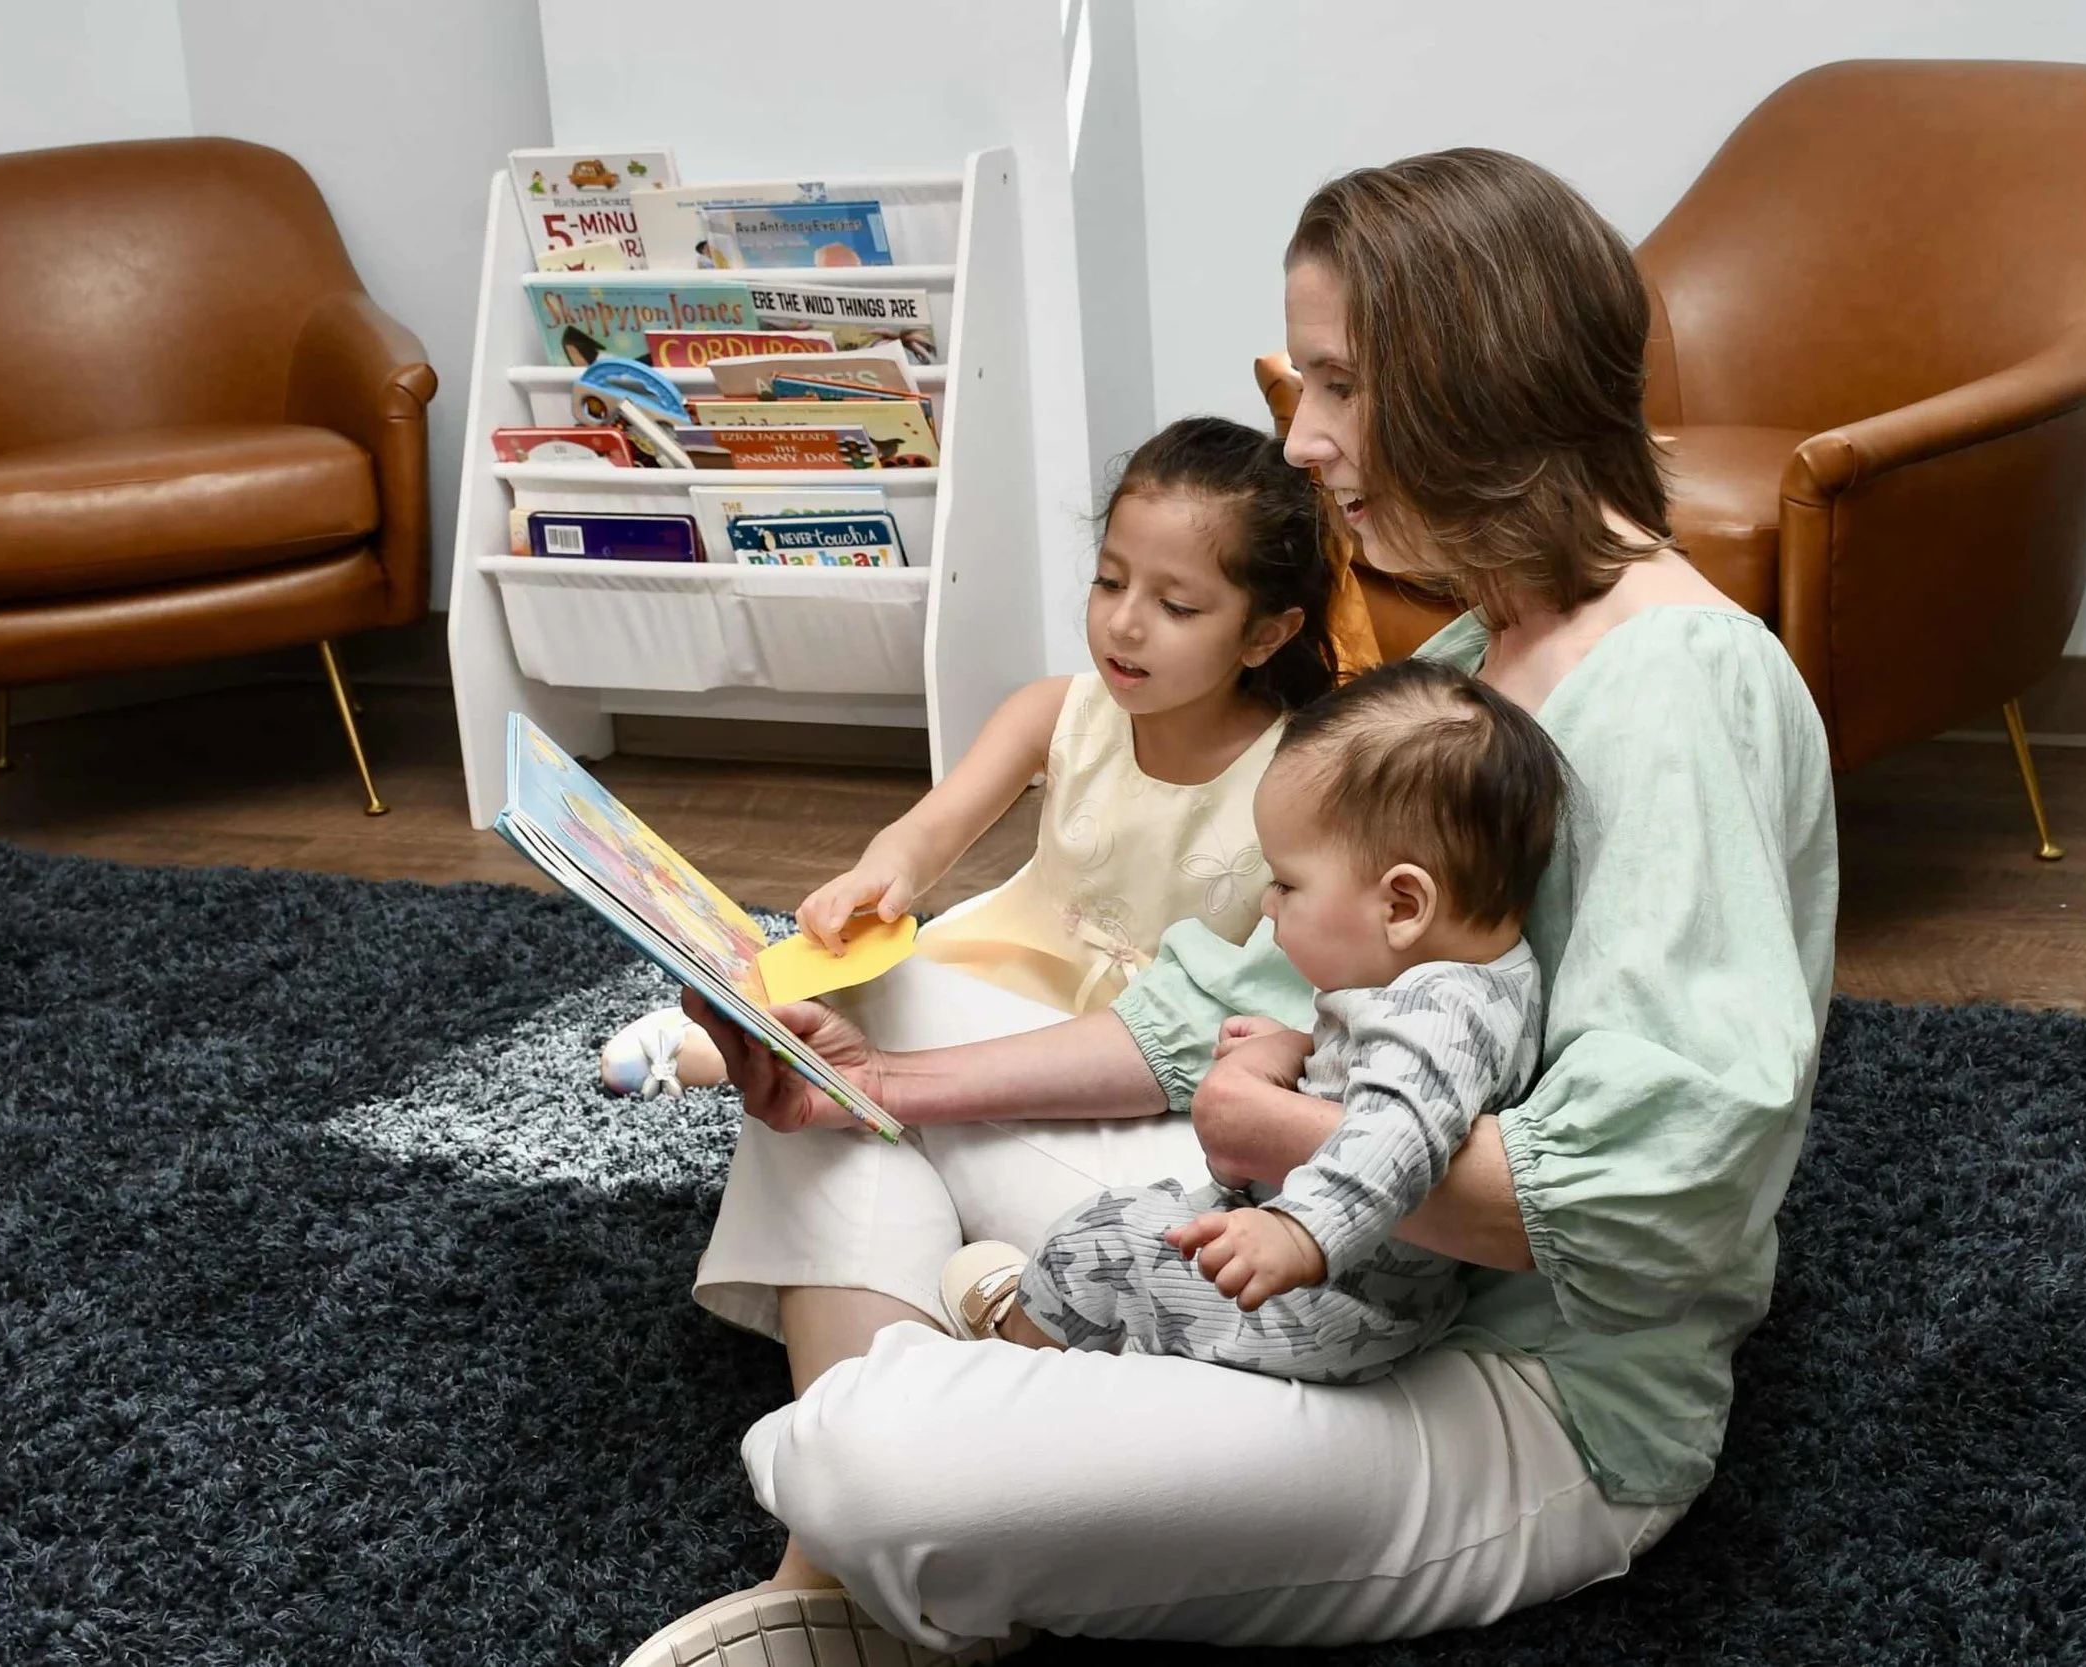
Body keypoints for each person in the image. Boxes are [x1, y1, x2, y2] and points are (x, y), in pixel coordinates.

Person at [627, 147, 1839, 1667]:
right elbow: (1231, 1009)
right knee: (853, 1008)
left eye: (1336, 385)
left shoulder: (1681, 683)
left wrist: (1293, 1139)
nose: (1306, 440)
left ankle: (888, 1507)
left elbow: (1674, 1190)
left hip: (1518, 1390)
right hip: (1297, 1242)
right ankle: (883, 1553)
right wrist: (882, 1085)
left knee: (873, 1456)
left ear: (1481, 381)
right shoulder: (1473, 652)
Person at [597, 414, 1339, 1099]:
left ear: (1265, 634)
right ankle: (707, 1048)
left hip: (1141, 1049)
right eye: (1109, 581)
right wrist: (880, 875)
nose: (1124, 622)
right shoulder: (1057, 710)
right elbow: (928, 832)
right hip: (1003, 981)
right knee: (866, 997)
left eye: (1175, 606)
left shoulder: (1303, 774)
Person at [949, 659, 1566, 1390]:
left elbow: (1397, 1130)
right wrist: (1300, 1052)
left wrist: (1300, 1229)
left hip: (1329, 1302)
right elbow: (1394, 1086)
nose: (1268, 905)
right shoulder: (1482, 975)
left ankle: (1008, 1360)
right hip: (1357, 1280)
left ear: (1403, 905)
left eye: (1287, 883)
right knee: (1165, 1214)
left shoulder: (1439, 1011)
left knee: (1099, 1239)